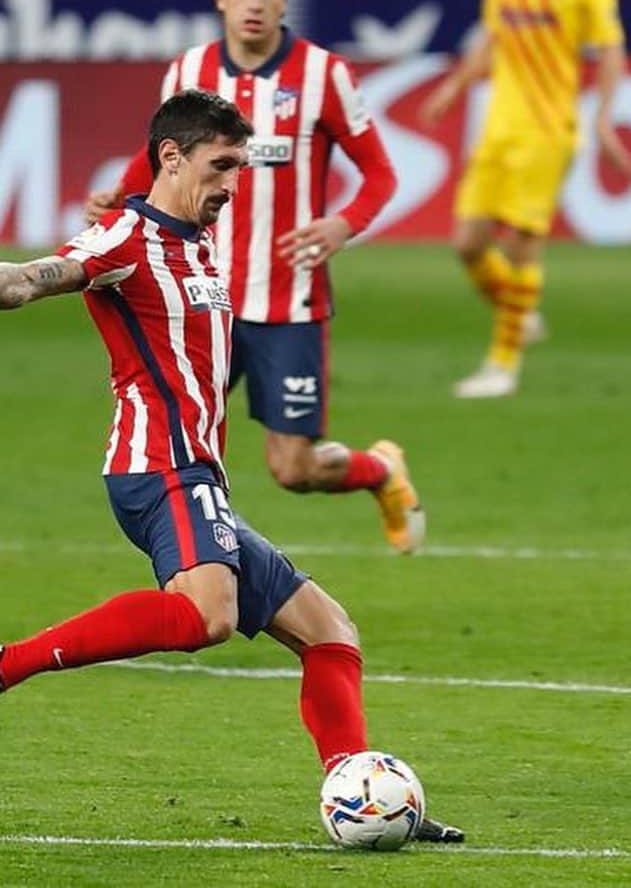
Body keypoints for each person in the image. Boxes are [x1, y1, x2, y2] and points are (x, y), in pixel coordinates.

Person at [0, 90, 461, 843]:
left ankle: (365, 794)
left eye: (239, 169)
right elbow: (29, 280)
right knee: (207, 616)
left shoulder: (196, 242)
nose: (231, 185)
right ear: (171, 157)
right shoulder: (122, 240)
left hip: (198, 473)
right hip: (159, 467)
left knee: (330, 632)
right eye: (221, 167)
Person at [88, 0, 423, 552]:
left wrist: (342, 224)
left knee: (292, 469)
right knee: (186, 446)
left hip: (286, 301)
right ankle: (203, 560)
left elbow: (380, 172)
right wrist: (118, 200)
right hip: (199, 299)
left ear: (284, 0)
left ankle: (380, 469)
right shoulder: (188, 72)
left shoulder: (324, 75)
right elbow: (160, 160)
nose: (255, 1)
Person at [421, 0, 631, 398]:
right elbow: (492, 39)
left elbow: (610, 50)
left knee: (521, 246)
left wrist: (604, 118)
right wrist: (454, 86)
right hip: (499, 126)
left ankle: (502, 365)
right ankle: (521, 312)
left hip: (548, 128)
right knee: (467, 244)